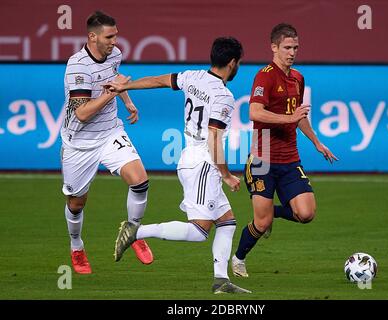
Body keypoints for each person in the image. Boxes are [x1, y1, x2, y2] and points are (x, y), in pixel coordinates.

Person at [105, 37, 251, 294]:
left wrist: (127, 86)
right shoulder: (223, 96)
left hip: (190, 157)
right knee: (199, 231)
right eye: (238, 62)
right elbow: (214, 138)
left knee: (227, 222)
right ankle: (136, 231)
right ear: (232, 63)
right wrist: (226, 174)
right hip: (204, 164)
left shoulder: (192, 76)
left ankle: (220, 280)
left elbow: (159, 81)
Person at [231, 23, 338, 278]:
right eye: (287, 47)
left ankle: (271, 211)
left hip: (289, 159)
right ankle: (238, 258)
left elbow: (298, 116)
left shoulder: (298, 78)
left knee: (306, 214)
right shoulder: (265, 76)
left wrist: (316, 142)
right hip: (262, 159)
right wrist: (289, 119)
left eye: (296, 47)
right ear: (274, 48)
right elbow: (254, 112)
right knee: (261, 223)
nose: (292, 52)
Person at [61, 11, 153, 274]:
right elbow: (82, 112)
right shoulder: (77, 66)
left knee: (140, 180)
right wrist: (114, 91)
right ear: (92, 36)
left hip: (110, 132)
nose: (115, 41)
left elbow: (114, 78)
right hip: (80, 141)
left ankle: (133, 231)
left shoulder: (114, 54)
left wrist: (127, 100)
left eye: (116, 35)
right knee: (77, 202)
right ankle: (76, 245)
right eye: (109, 36)